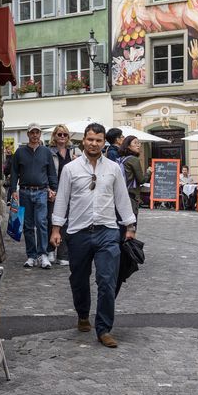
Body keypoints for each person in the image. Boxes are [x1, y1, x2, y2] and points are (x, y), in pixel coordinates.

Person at [50, 123, 137, 349]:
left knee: (107, 280)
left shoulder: (113, 168)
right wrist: (56, 228)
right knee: (79, 279)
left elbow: (122, 198)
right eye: (90, 139)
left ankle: (104, 328)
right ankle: (82, 313)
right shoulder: (70, 169)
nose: (94, 144)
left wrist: (130, 225)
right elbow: (62, 200)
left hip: (107, 230)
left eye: (98, 140)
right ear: (83, 141)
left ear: (103, 142)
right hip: (78, 232)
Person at [7, 123, 58, 269]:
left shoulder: (46, 152)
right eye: (32, 133)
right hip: (24, 191)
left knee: (42, 223)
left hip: (41, 191)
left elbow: (51, 172)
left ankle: (43, 254)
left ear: (40, 134)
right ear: (28, 134)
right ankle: (31, 255)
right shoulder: (20, 152)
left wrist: (53, 189)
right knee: (28, 225)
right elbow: (14, 172)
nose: (35, 135)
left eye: (37, 133)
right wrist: (13, 191)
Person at [47, 124, 73, 266]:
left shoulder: (73, 152)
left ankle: (63, 254)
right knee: (52, 221)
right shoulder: (48, 152)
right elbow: (43, 172)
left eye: (65, 134)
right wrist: (48, 189)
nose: (62, 137)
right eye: (59, 134)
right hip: (54, 191)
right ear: (54, 136)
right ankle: (50, 250)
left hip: (69, 192)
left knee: (66, 223)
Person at [119, 136, 153, 222]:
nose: (138, 145)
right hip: (131, 195)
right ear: (128, 146)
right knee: (131, 224)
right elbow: (141, 180)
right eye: (135, 143)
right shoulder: (134, 160)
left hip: (121, 194)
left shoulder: (121, 159)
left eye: (139, 143)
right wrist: (149, 172)